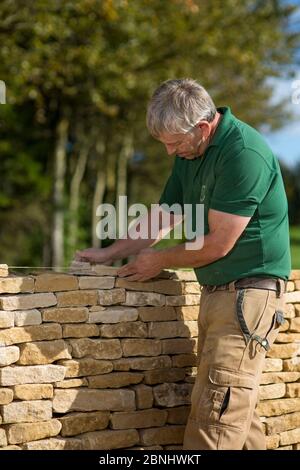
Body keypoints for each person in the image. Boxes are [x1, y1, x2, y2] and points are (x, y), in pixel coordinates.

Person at [76, 79, 291, 450]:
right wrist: (111, 253)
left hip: (248, 295)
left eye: (174, 143)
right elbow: (163, 218)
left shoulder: (243, 154)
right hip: (219, 295)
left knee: (216, 416)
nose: (169, 152)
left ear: (204, 128)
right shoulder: (190, 155)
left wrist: (158, 260)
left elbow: (219, 243)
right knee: (236, 413)